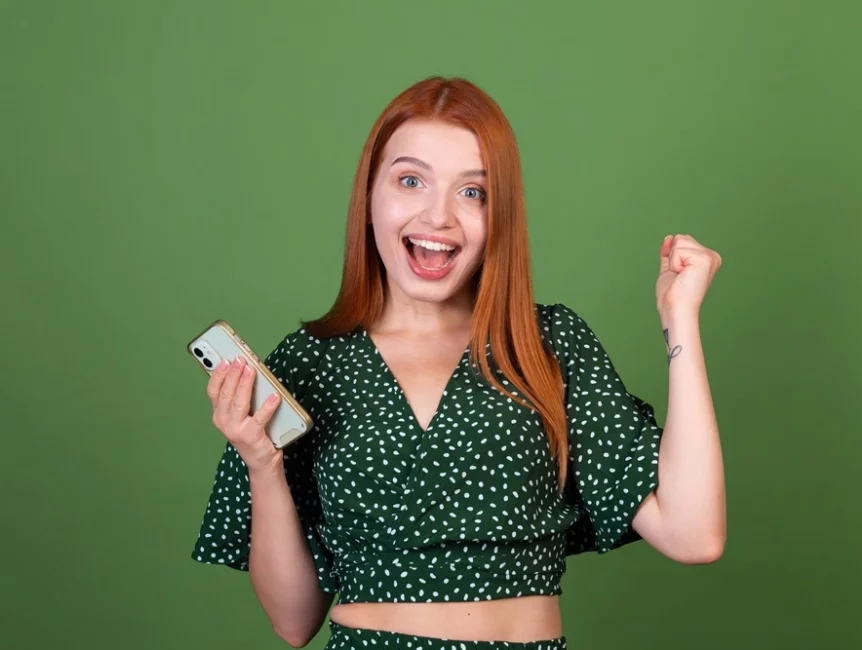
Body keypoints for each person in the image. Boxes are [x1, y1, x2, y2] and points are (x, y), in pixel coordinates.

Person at [190, 76, 726, 649]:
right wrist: (262, 464)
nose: (439, 216)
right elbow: (294, 623)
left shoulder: (548, 344)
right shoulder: (309, 363)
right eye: (411, 180)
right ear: (369, 195)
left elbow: (693, 535)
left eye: (473, 192)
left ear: (501, 216)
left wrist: (681, 319)